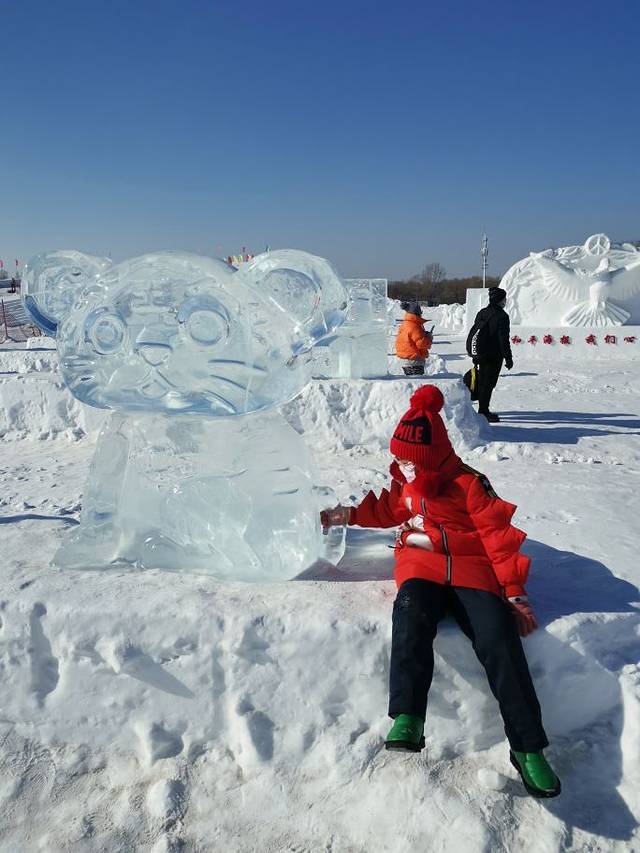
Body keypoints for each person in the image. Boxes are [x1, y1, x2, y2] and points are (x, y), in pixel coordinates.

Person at [320, 385, 560, 799]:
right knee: (410, 613)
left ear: (432, 460)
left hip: (472, 571)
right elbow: (387, 509)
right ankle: (408, 714)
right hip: (422, 565)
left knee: (498, 638)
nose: (403, 467)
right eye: (400, 459)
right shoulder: (410, 485)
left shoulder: (470, 484)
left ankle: (528, 747)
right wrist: (348, 514)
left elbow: (497, 538)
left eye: (411, 461)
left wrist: (514, 593)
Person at [466, 287, 513, 422]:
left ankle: (482, 408)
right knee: (488, 383)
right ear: (500, 300)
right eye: (504, 299)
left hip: (479, 353)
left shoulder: (482, 312)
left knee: (482, 381)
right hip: (493, 356)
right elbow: (503, 340)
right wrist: (508, 358)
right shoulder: (502, 316)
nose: (505, 301)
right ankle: (483, 411)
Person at [395, 302, 432, 375]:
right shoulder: (414, 326)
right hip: (413, 360)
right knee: (416, 380)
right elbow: (421, 344)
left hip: (406, 357)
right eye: (420, 312)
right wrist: (429, 338)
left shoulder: (406, 323)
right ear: (417, 313)